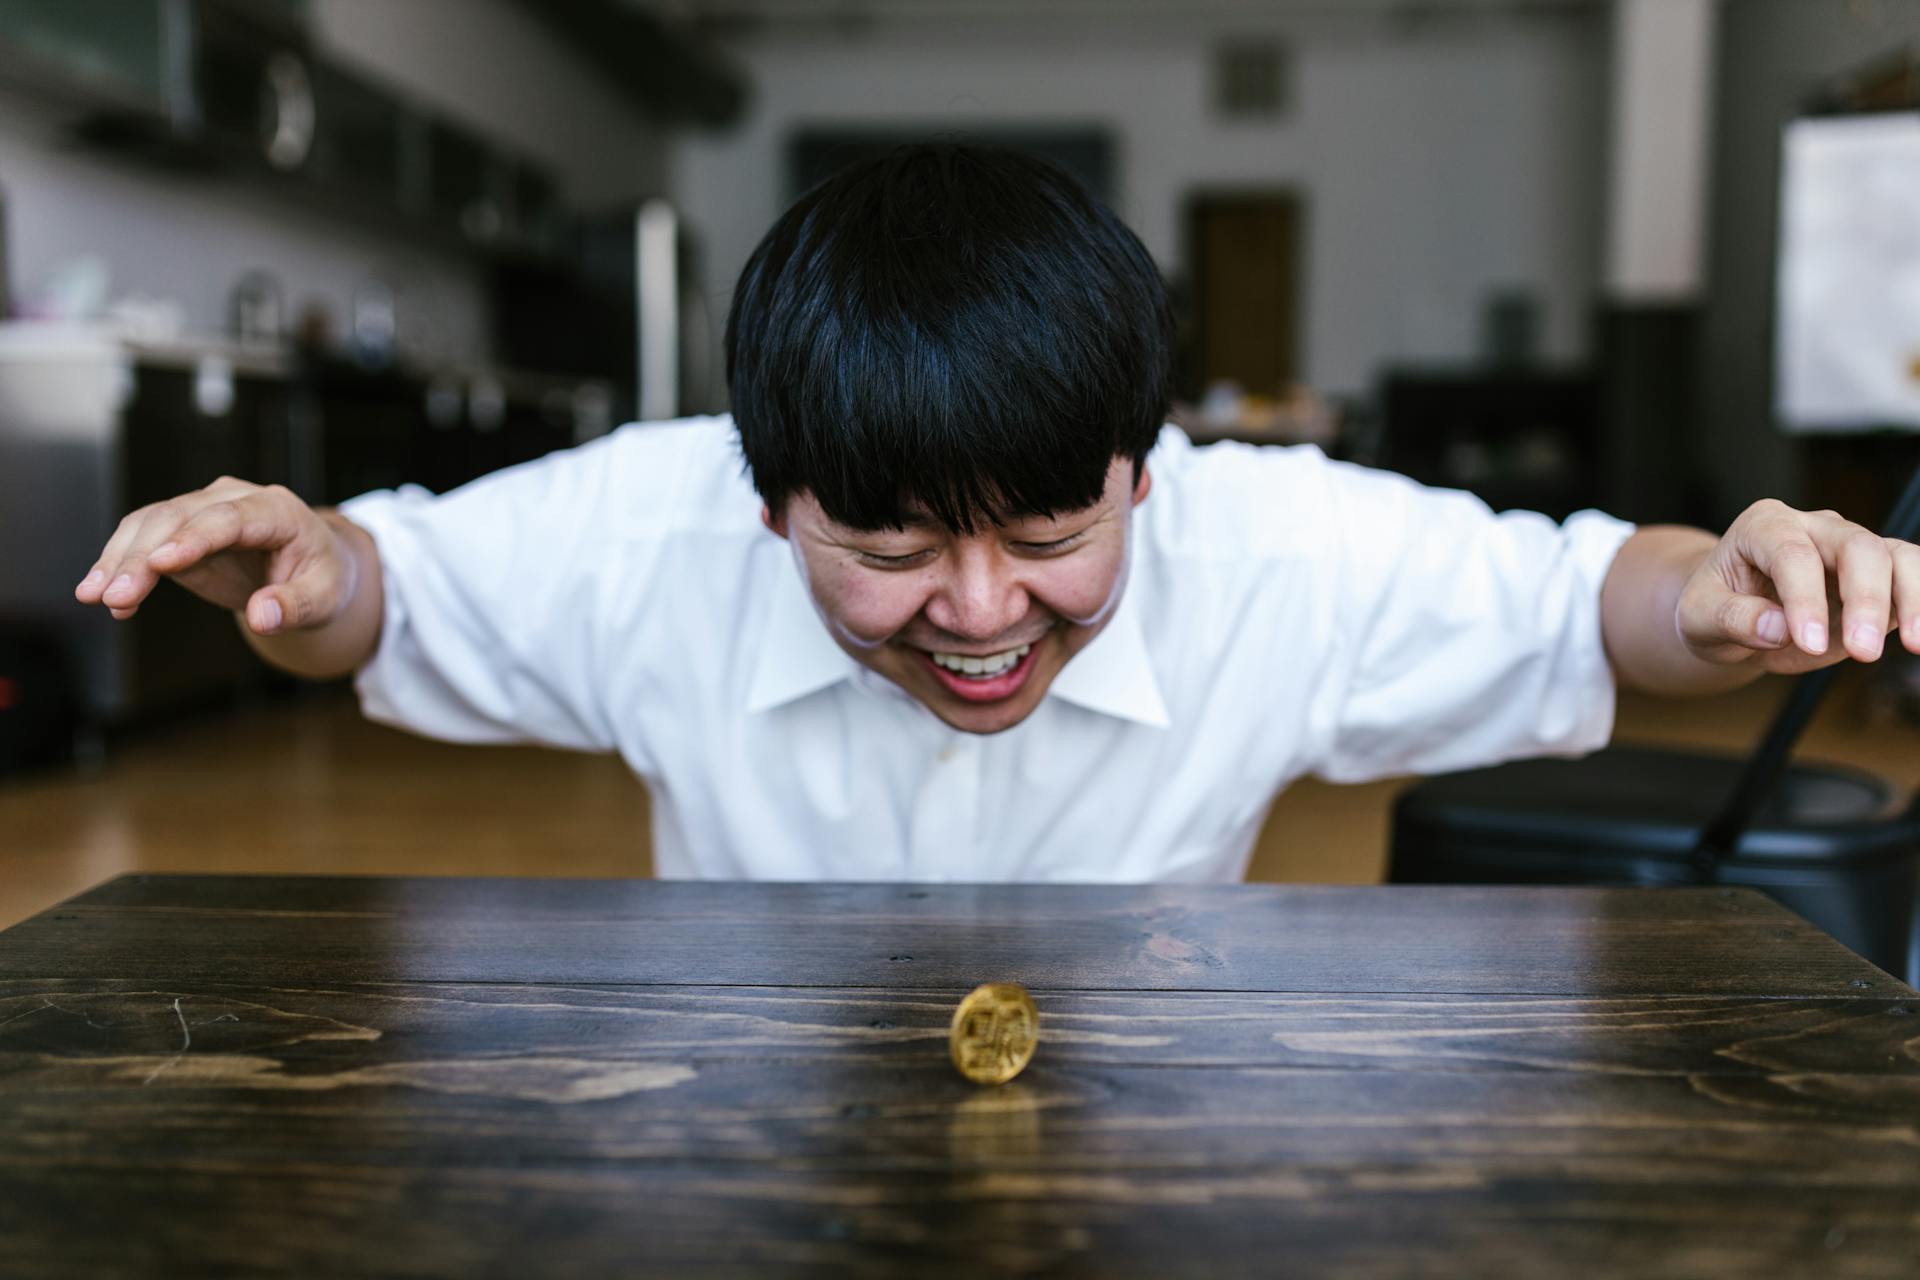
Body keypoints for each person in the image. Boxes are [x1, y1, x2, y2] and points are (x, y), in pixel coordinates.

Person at [73, 145, 1920, 881]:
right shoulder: (650, 525)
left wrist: (1739, 582)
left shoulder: (1267, 542)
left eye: (1050, 538)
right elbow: (390, 601)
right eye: (883, 550)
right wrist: (312, 573)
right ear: (768, 490)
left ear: (1144, 463)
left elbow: (1591, 605)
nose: (976, 612)